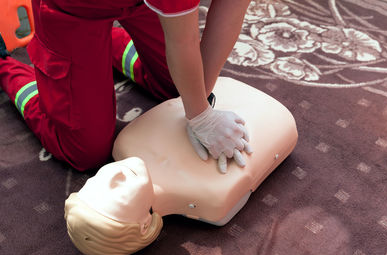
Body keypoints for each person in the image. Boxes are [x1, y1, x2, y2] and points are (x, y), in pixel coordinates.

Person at [0, 0, 252, 173]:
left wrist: (200, 101)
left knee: (181, 87)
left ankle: (99, 48)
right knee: (85, 151)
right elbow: (183, 41)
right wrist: (201, 118)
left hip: (142, 3)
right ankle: (4, 65)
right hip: (74, 8)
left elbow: (231, 10)